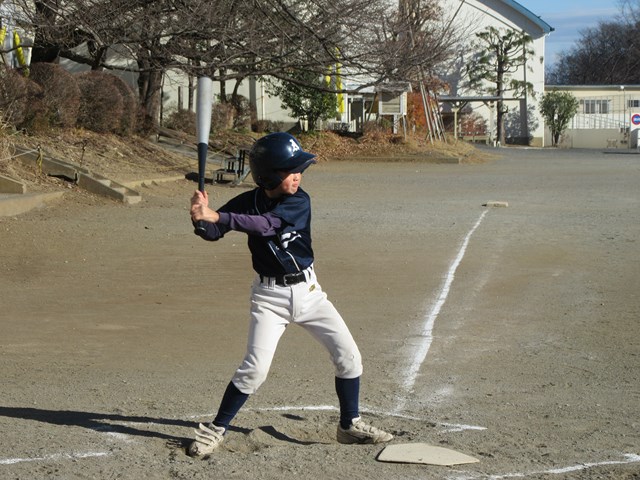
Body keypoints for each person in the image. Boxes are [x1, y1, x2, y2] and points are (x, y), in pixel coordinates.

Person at [187, 132, 392, 457]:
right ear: (268, 176)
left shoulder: (299, 201)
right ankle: (216, 429)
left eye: (299, 170)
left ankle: (349, 425)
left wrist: (218, 216)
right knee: (255, 370)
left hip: (310, 293)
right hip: (269, 299)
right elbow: (214, 231)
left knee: (349, 356)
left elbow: (265, 225)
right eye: (290, 170)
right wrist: (201, 216)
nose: (298, 176)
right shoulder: (246, 202)